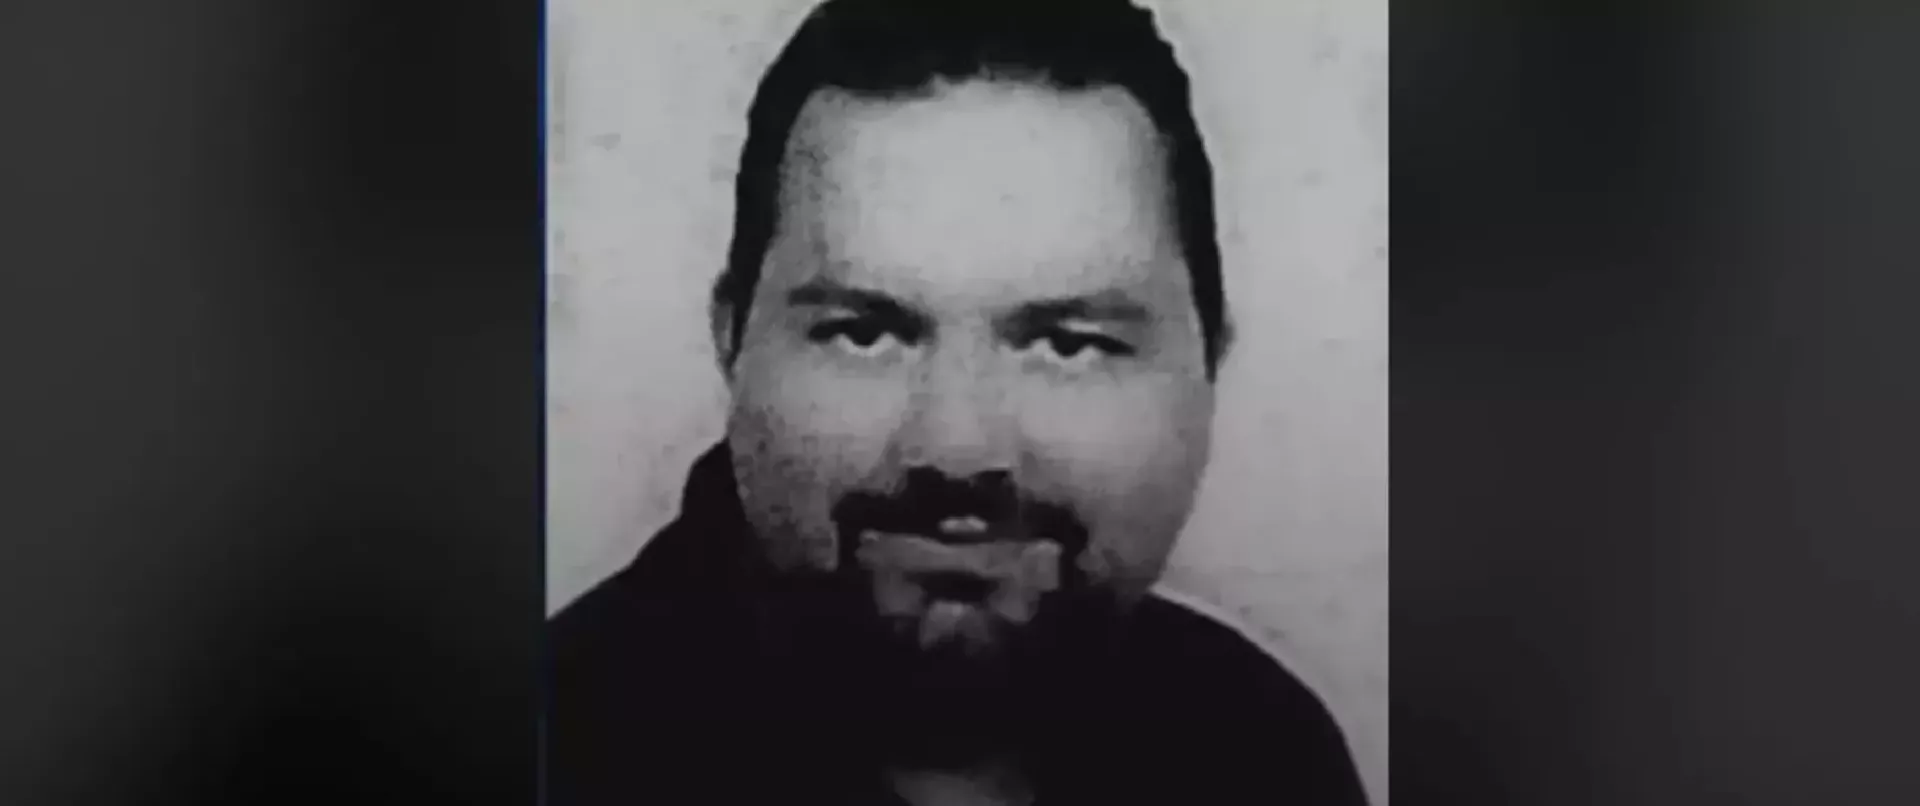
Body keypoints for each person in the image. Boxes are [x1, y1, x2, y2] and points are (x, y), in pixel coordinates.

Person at [547, 0, 1370, 803]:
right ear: (732, 344)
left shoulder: (1268, 750)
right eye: (863, 333)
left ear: (1209, 362)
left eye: (1070, 344)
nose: (957, 446)